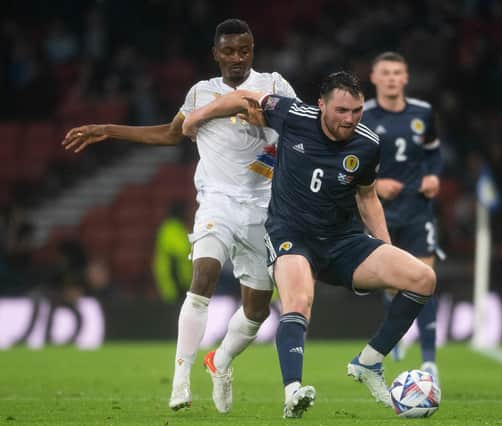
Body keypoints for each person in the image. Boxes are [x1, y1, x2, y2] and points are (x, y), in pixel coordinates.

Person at [61, 18, 297, 413]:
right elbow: (170, 134)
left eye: (244, 51)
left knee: (257, 310)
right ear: (215, 54)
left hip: (262, 207)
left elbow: (301, 130)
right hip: (217, 203)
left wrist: (272, 124)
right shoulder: (201, 93)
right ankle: (180, 382)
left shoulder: (275, 85)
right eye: (229, 52)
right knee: (202, 277)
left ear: (252, 51)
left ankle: (219, 361)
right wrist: (109, 130)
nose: (237, 59)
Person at [183, 71, 437, 418]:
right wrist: (196, 116)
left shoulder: (368, 144)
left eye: (357, 111)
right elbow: (243, 97)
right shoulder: (293, 114)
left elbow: (368, 198)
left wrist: (385, 247)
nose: (349, 119)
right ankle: (293, 392)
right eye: (341, 111)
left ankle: (369, 362)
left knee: (423, 278)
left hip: (344, 241)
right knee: (300, 300)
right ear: (321, 106)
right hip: (292, 234)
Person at [361, 52, 444, 381]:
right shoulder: (364, 115)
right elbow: (352, 159)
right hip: (379, 211)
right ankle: (393, 336)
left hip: (417, 208)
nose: (392, 78)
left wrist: (434, 176)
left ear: (406, 78)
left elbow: (434, 151)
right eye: (386, 73)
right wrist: (376, 184)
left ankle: (429, 360)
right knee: (392, 283)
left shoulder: (422, 113)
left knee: (425, 278)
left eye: (398, 72)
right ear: (375, 77)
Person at [152, 201, 191, 304]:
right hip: (172, 279)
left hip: (182, 279)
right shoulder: (169, 228)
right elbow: (182, 250)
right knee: (174, 311)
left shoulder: (179, 227)